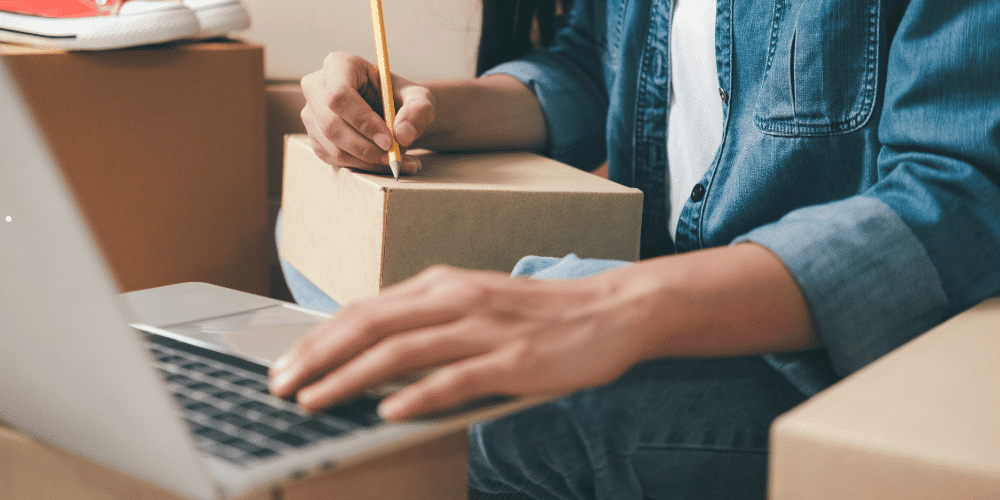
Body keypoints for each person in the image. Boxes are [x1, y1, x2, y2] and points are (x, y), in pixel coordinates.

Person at [270, 0, 1000, 498]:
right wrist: (412, 109)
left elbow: (959, 197)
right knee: (310, 244)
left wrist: (610, 305)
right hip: (670, 288)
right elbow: (594, 69)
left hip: (838, 362)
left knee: (488, 412)